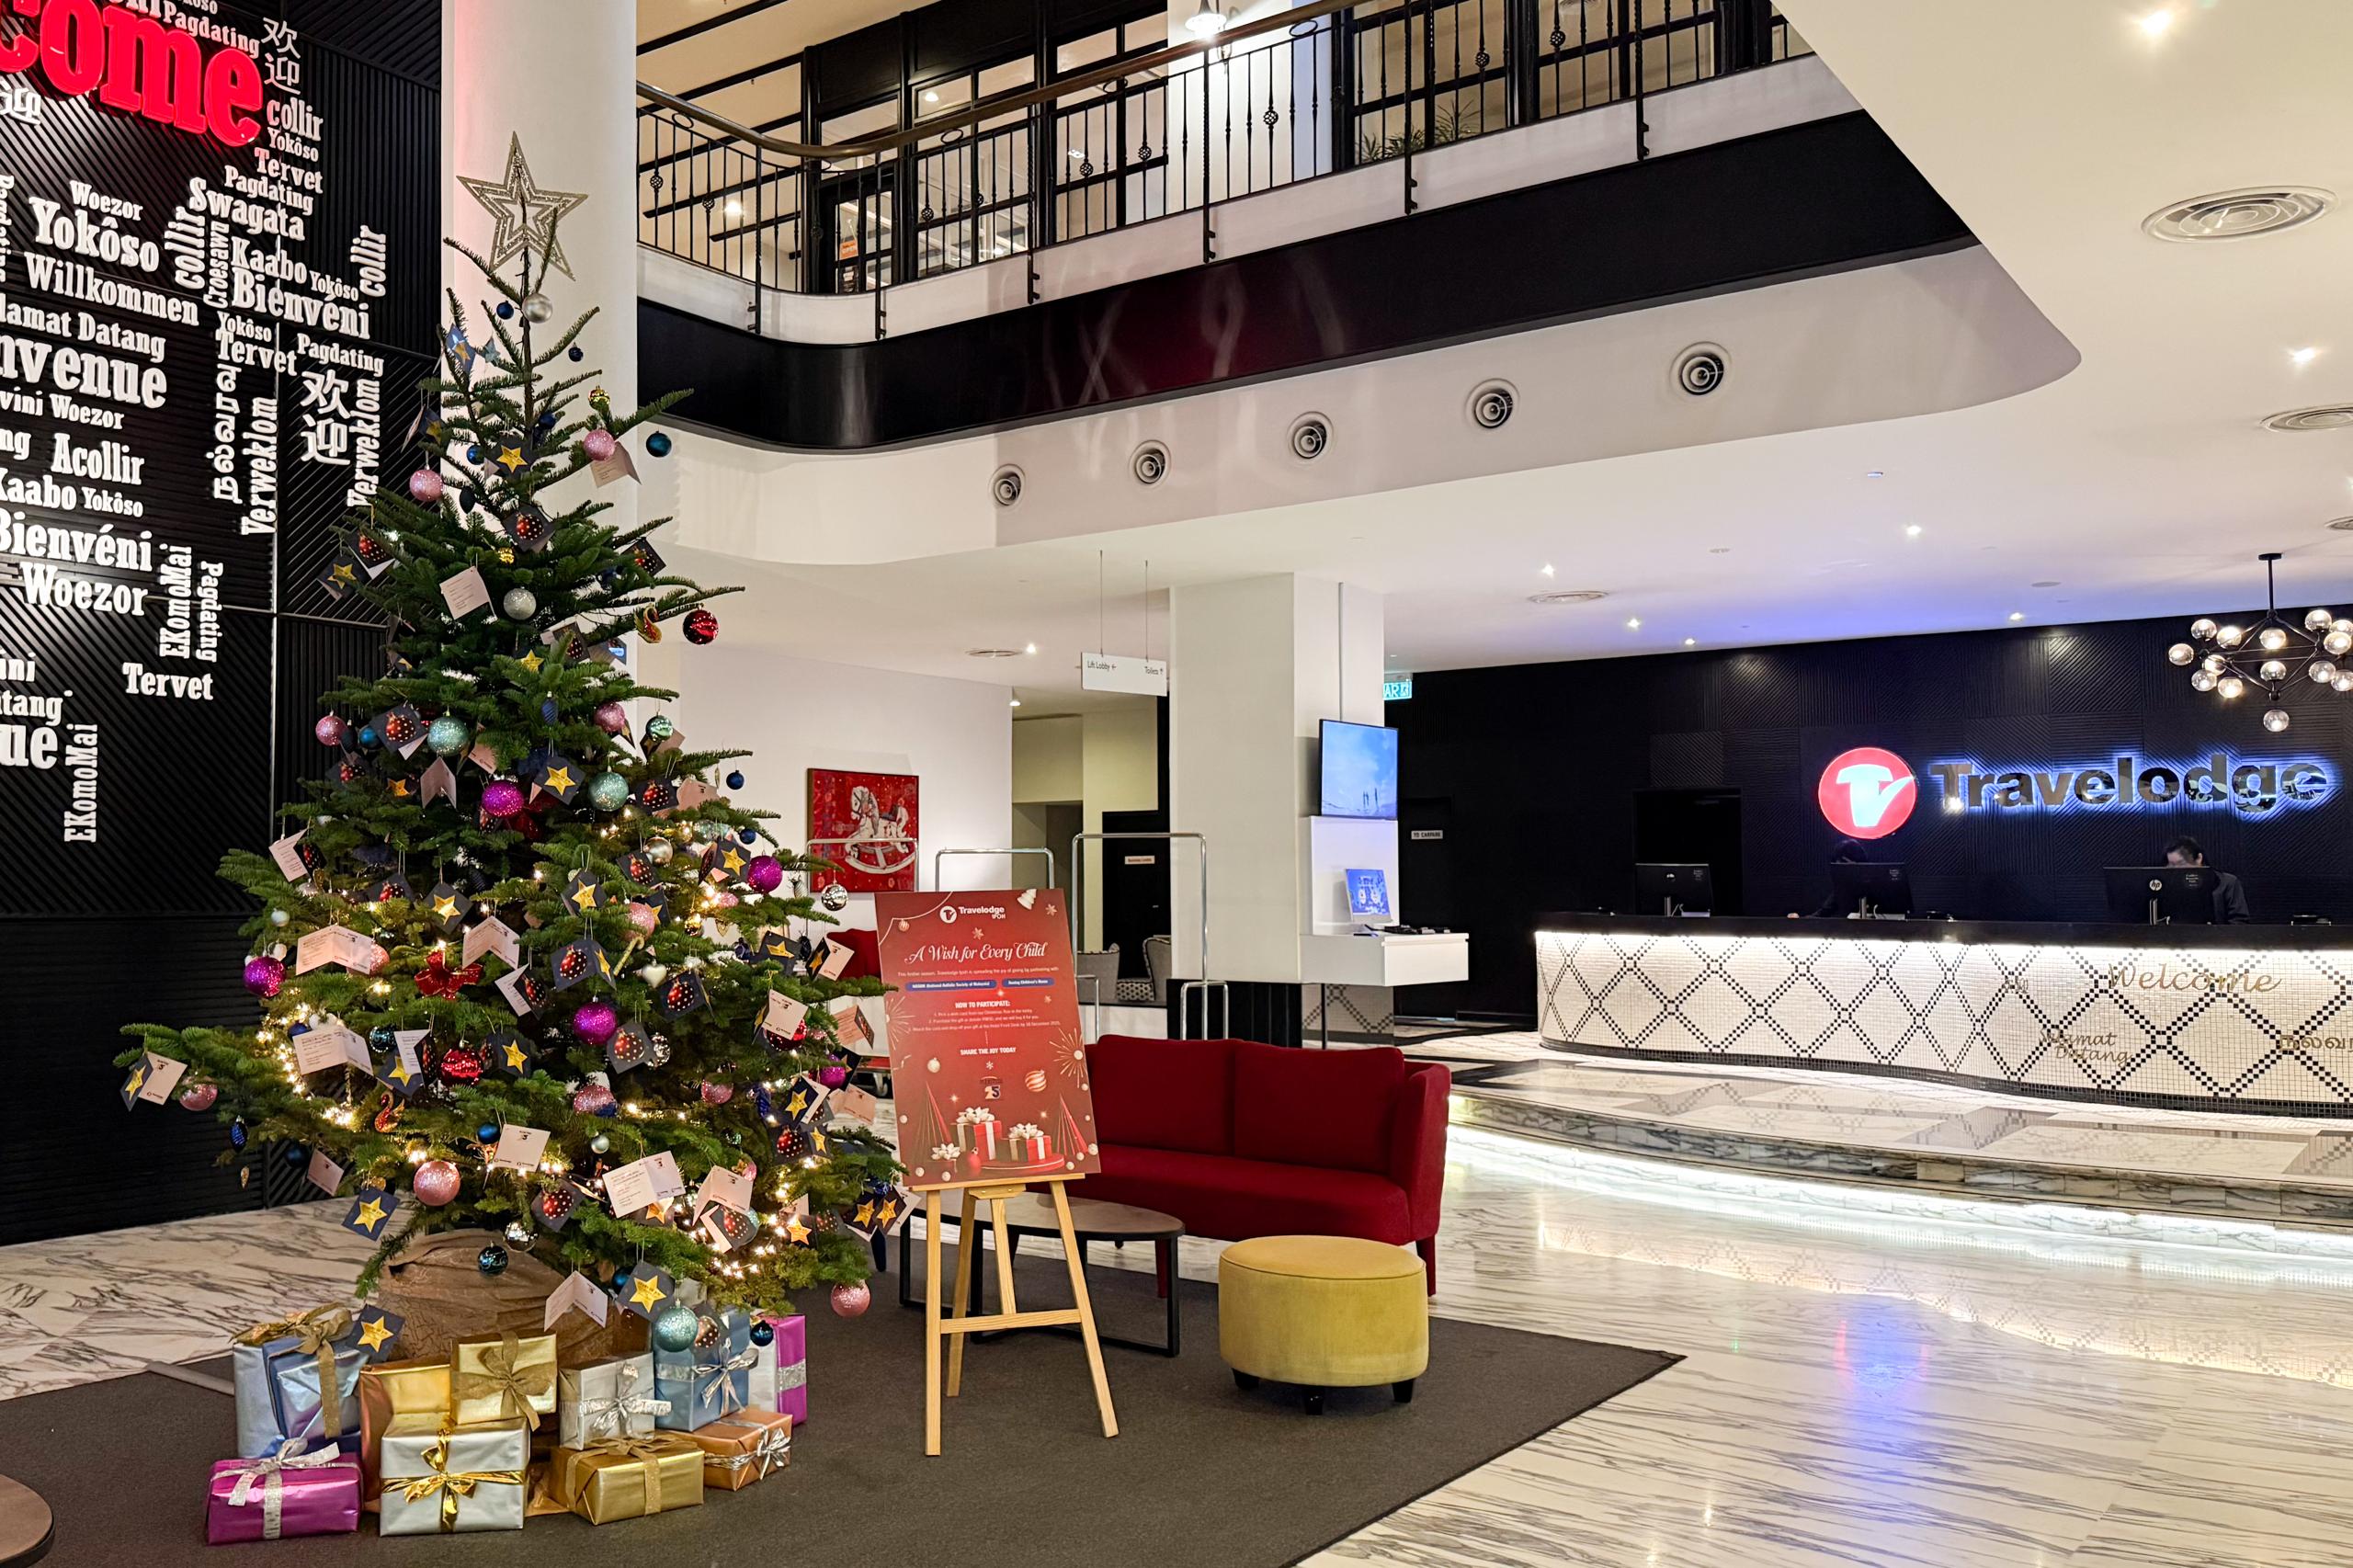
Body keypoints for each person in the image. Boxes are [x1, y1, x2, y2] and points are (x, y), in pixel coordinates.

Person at [2164, 835, 2251, 923]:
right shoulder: (2168, 886)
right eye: (2172, 865)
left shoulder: (2227, 883)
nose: (2176, 869)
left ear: (2198, 858)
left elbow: (2239, 921)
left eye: (2181, 864)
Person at [1797, 839, 1867, 917]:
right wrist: (1798, 920)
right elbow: (1821, 914)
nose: (1840, 870)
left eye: (1843, 863)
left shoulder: (1873, 887)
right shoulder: (1842, 890)